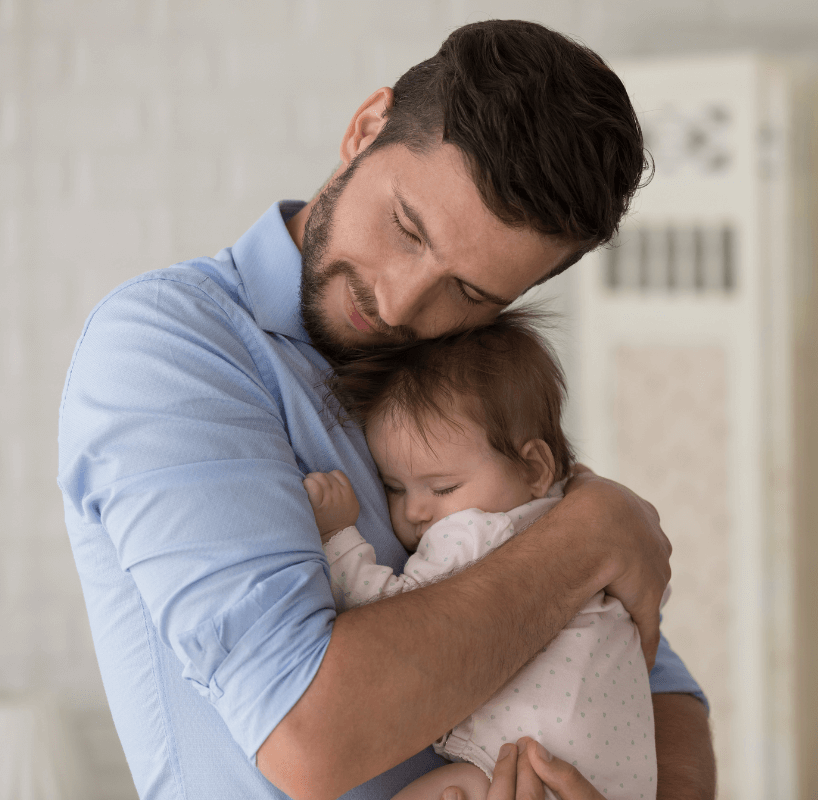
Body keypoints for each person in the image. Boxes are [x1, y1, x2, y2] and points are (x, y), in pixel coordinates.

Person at [57, 19, 716, 800]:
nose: (402, 303)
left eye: (470, 291)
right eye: (407, 228)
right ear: (365, 128)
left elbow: (655, 684)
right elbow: (310, 737)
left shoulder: (469, 378)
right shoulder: (171, 348)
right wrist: (591, 534)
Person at [305, 312, 661, 800]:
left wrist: (338, 534)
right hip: (618, 779)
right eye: (393, 487)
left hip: (518, 769)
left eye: (443, 486)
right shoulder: (571, 512)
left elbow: (391, 616)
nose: (414, 510)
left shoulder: (474, 533)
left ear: (534, 467)